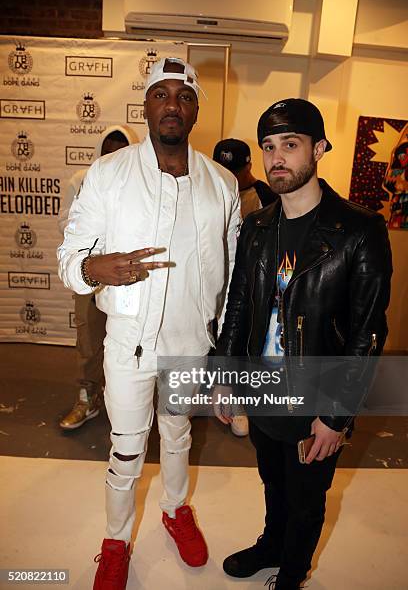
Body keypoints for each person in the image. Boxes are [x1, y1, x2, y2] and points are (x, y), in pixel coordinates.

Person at [58, 57, 240, 590]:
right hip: (129, 344)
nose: (171, 106)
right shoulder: (109, 175)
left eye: (183, 97)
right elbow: (70, 260)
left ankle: (175, 510)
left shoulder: (222, 184)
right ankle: (116, 541)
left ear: (196, 109)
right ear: (145, 105)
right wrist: (97, 268)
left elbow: (228, 282)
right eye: (160, 95)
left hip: (190, 344)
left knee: (179, 433)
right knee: (127, 445)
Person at [214, 98, 392, 589]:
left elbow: (368, 331)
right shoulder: (256, 227)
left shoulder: (358, 229)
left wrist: (336, 413)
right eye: (268, 146)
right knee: (273, 480)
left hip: (317, 395)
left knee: (308, 497)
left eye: (290, 145)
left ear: (318, 148)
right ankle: (272, 543)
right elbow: (239, 306)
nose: (276, 158)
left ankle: (292, 574)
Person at [58, 125, 137, 430]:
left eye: (121, 148)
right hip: (90, 271)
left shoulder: (139, 186)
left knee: (131, 340)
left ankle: (133, 403)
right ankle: (88, 396)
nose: (113, 155)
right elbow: (65, 222)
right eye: (108, 149)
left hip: (128, 276)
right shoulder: (82, 180)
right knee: (89, 339)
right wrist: (98, 250)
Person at [212, 138, 276, 438]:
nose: (230, 176)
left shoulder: (267, 194)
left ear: (249, 164)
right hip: (214, 278)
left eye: (236, 170)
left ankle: (238, 399)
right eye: (224, 169)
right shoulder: (208, 191)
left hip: (251, 284)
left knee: (241, 338)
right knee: (209, 338)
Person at [213, 137, 277, 218]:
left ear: (248, 167)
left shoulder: (266, 198)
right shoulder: (210, 191)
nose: (226, 176)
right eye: (220, 171)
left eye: (233, 172)